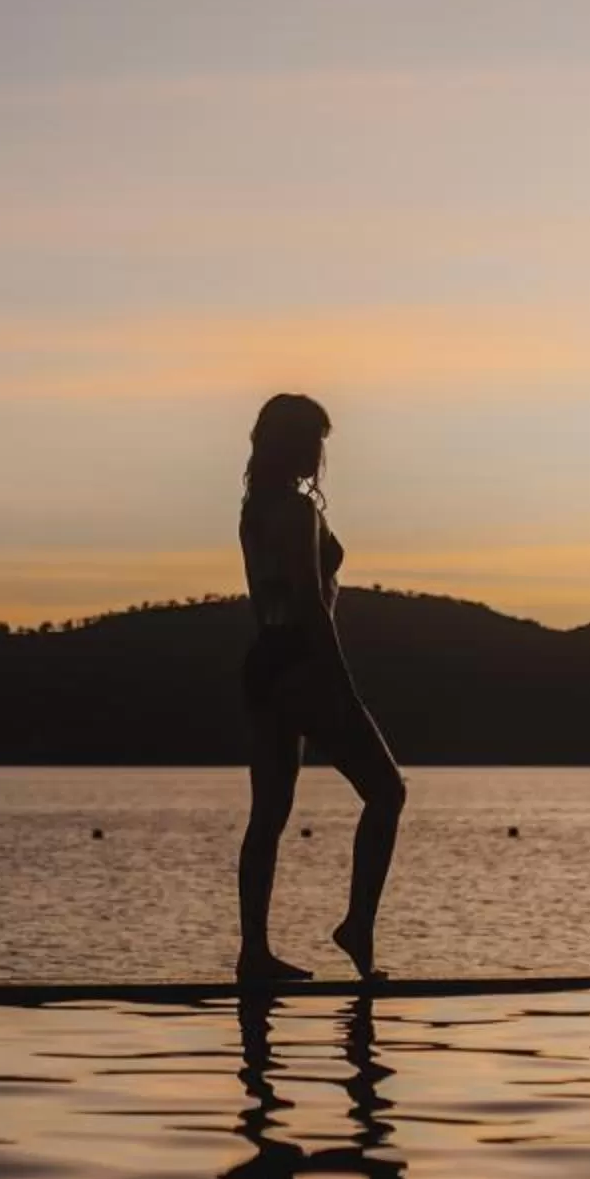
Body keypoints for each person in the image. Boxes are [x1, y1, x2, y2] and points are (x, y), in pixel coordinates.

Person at [236, 392, 407, 983]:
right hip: (304, 665)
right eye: (314, 440)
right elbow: (310, 602)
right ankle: (357, 926)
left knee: (269, 815)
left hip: (266, 664)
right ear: (294, 444)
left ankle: (253, 953)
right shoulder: (296, 513)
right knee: (387, 790)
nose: (320, 452)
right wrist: (342, 683)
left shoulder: (254, 509)